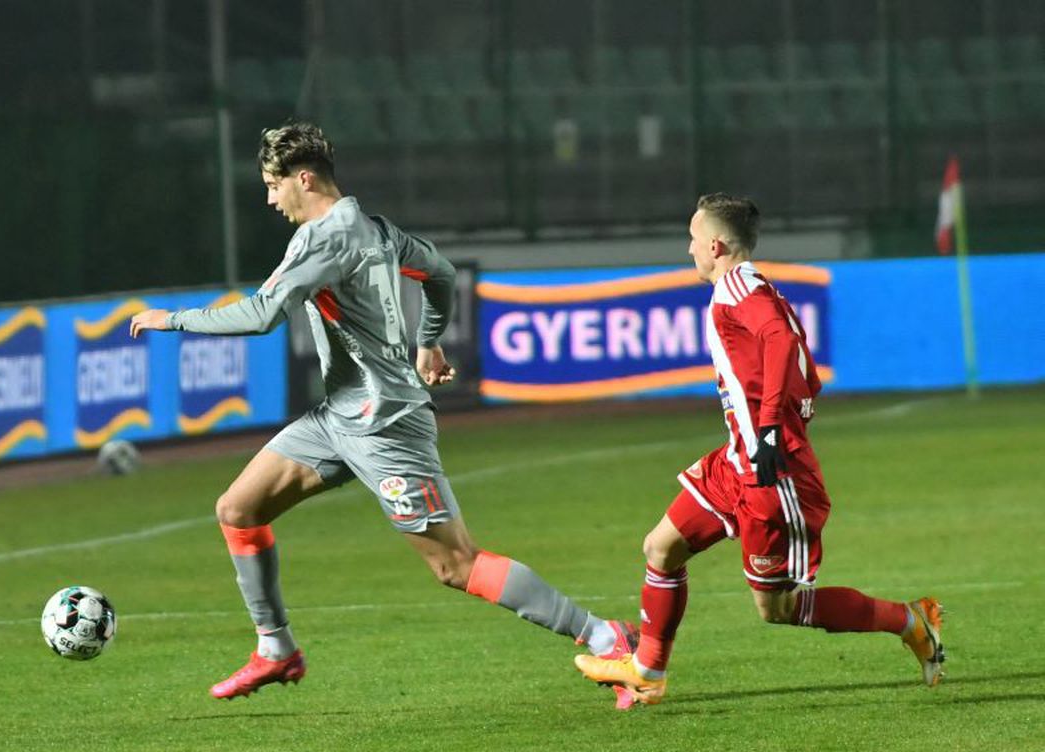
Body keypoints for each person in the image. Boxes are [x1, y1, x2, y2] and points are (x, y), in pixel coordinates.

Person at [130, 121, 635, 701]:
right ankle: (276, 649)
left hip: (385, 424)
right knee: (238, 509)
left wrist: (172, 319)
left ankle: (605, 636)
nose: (270, 200)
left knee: (456, 564)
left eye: (272, 186)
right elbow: (441, 274)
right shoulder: (376, 229)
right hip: (338, 416)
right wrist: (429, 341)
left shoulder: (325, 240)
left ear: (303, 179)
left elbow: (262, 316)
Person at [574, 193, 945, 708]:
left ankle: (909, 621)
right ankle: (648, 671)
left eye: (692, 239)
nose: (688, 249)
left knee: (777, 608)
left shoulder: (738, 287)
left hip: (772, 475)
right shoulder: (753, 286)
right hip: (738, 461)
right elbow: (805, 372)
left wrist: (770, 428)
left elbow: (780, 340)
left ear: (715, 245)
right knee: (661, 547)